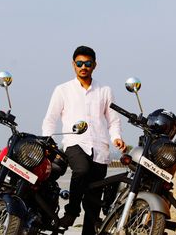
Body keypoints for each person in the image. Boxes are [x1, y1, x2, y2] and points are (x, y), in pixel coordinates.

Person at [42, 45, 126, 235]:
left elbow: (113, 120)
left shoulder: (105, 90)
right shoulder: (62, 90)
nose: (83, 67)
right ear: (73, 65)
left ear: (94, 65)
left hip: (100, 150)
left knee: (93, 202)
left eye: (87, 63)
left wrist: (117, 138)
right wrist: (48, 141)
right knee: (81, 170)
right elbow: (50, 119)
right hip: (74, 144)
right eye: (79, 63)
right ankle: (72, 212)